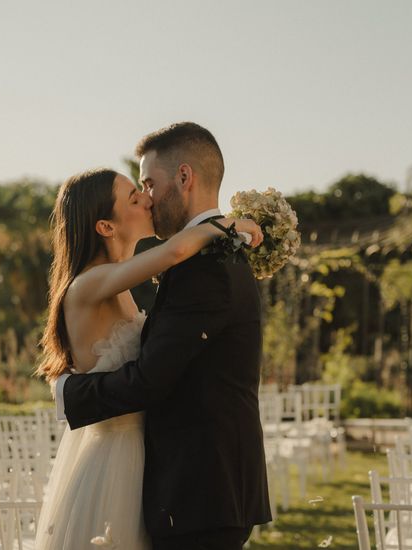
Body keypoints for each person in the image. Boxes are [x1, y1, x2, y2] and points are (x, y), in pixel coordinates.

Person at [55, 122, 273, 550]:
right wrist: (224, 226)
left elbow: (151, 378)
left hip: (196, 488)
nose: (147, 199)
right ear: (104, 225)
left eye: (147, 185)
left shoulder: (205, 265)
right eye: (137, 193)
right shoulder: (199, 256)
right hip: (164, 477)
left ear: (184, 178)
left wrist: (70, 393)